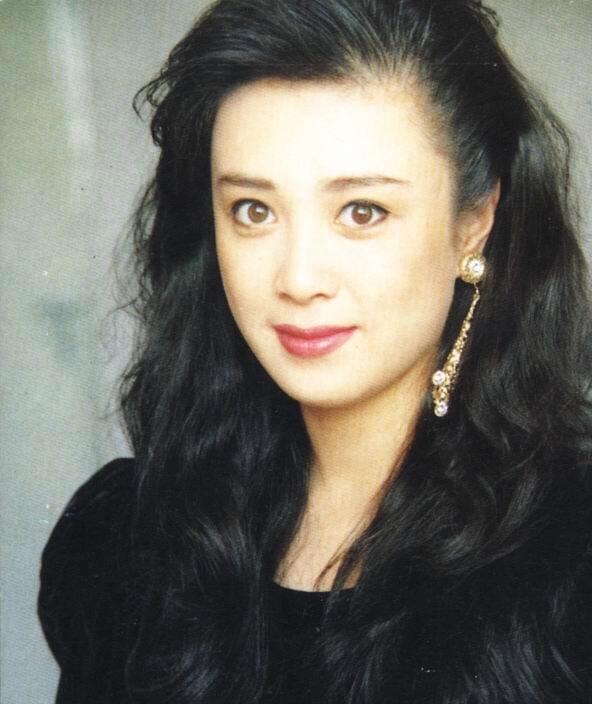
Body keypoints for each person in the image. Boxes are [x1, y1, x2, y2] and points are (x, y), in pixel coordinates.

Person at [38, 0, 592, 702]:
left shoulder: (573, 555)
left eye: (362, 212)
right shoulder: (120, 537)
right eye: (254, 211)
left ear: (474, 222)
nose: (298, 279)